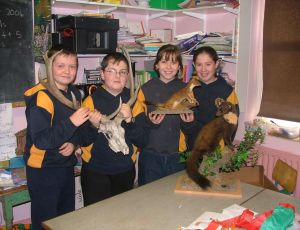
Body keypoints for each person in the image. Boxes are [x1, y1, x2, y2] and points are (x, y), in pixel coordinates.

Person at [24, 45, 99, 230]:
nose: (67, 71)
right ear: (49, 67)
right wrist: (72, 121)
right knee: (45, 223)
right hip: (43, 171)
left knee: (65, 220)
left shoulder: (74, 94)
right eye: (61, 66)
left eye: (72, 66)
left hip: (66, 167)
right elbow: (42, 140)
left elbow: (80, 135)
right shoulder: (41, 96)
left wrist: (75, 142)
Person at [80, 52, 147, 206]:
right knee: (95, 218)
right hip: (95, 172)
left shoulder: (135, 102)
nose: (118, 76)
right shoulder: (90, 102)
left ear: (128, 76)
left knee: (121, 217)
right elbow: (82, 140)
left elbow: (142, 140)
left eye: (122, 72)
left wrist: (130, 120)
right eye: (111, 71)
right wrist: (93, 126)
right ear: (102, 74)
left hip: (125, 171)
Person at [132, 44, 195, 186]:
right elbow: (137, 125)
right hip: (150, 155)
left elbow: (193, 129)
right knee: (148, 197)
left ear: (179, 67)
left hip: (180, 155)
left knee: (177, 197)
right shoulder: (145, 89)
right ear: (156, 65)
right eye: (164, 61)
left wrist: (189, 123)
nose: (168, 67)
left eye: (173, 62)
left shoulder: (186, 90)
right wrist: (150, 122)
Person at [189, 46, 240, 149]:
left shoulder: (227, 91)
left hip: (216, 150)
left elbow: (232, 125)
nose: (203, 69)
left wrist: (225, 146)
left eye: (208, 64)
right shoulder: (189, 89)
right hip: (192, 147)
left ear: (216, 64)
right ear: (194, 65)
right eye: (199, 65)